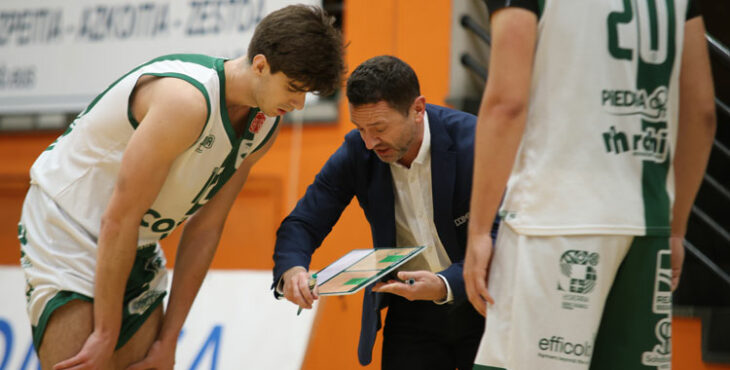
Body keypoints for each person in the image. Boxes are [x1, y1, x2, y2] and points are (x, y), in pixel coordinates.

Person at [17, 5, 344, 369]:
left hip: (134, 237)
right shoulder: (185, 101)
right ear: (261, 65)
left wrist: (170, 340)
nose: (298, 105)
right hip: (68, 225)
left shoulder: (264, 126)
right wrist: (106, 333)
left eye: (307, 94)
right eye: (294, 89)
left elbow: (205, 228)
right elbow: (118, 218)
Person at [464, 0, 716, 369]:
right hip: (647, 223)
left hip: (554, 219)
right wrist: (675, 230)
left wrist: (478, 232)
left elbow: (507, 102)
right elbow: (702, 112)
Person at [272, 55, 498, 369]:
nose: (369, 142)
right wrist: (292, 269)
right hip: (410, 310)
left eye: (379, 127)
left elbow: (504, 234)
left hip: (483, 300)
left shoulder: (474, 140)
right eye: (360, 128)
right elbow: (303, 221)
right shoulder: (357, 150)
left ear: (417, 109)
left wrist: (446, 284)